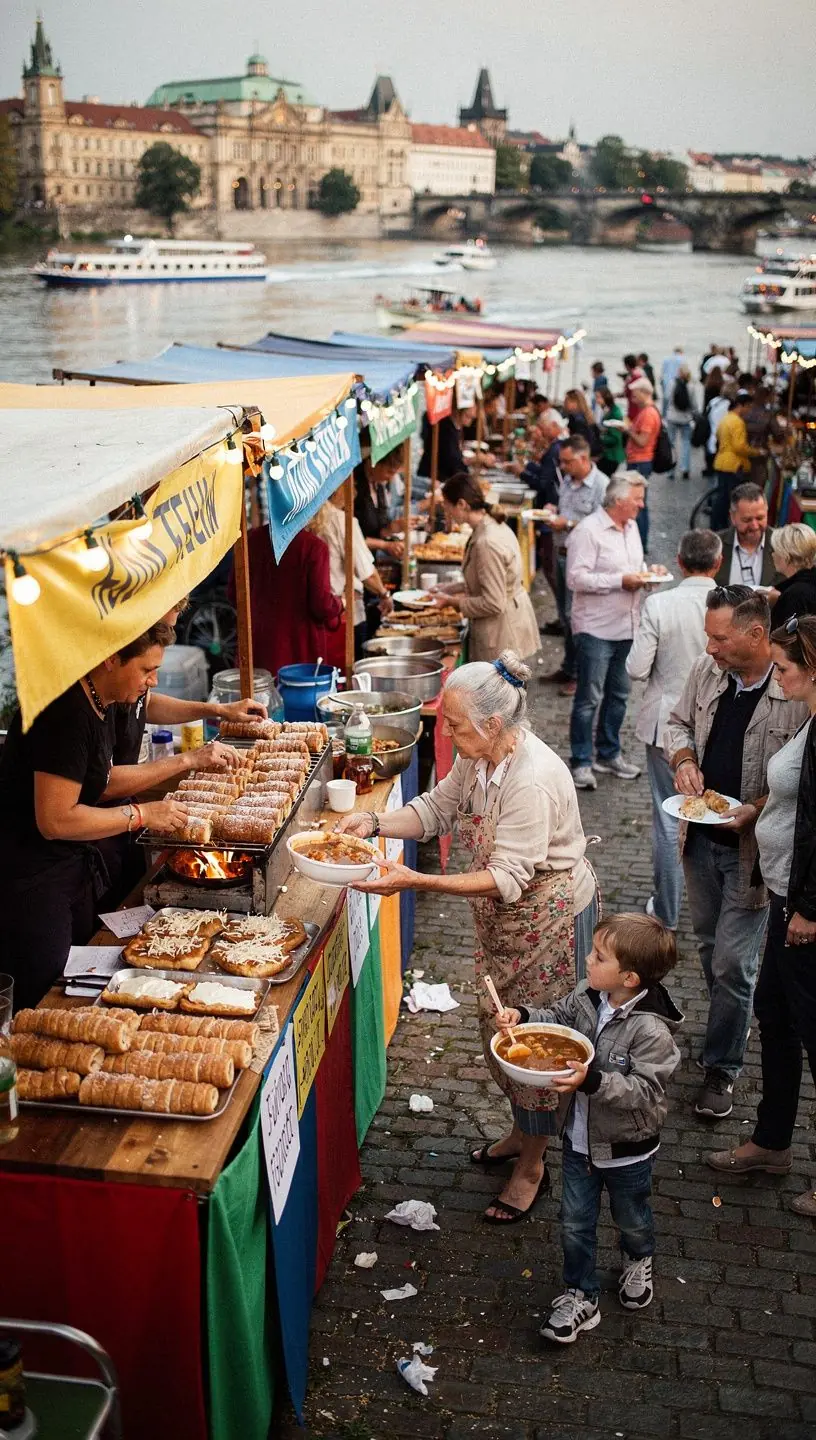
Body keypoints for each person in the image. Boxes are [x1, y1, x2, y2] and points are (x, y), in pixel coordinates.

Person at [337, 651, 598, 1223]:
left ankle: (532, 1165)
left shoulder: (531, 779)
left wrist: (414, 879)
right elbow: (436, 810)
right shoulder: (479, 759)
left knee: (530, 1040)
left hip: (545, 922)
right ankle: (519, 1133)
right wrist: (375, 823)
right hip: (507, 921)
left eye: (454, 723)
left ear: (494, 725)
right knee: (496, 1026)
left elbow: (507, 878)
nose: (447, 732)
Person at [495, 913, 681, 1343]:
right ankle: (580, 1293)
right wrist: (521, 1015)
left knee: (631, 1216)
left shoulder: (652, 1030)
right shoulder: (590, 993)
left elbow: (646, 1090)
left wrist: (591, 1080)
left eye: (598, 956)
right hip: (578, 1142)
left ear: (629, 977)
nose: (587, 960)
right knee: (574, 1223)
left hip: (628, 1149)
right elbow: (557, 1017)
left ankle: (638, 1257)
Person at [664, 587, 808, 1118]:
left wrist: (756, 808)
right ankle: (730, 1027)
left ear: (755, 634)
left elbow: (799, 777)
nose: (710, 646)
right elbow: (677, 724)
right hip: (699, 839)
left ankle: (722, 1068)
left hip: (751, 856)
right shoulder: (707, 672)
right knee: (708, 948)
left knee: (732, 964)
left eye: (720, 637)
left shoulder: (791, 692)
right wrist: (682, 761)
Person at [0, 624, 195, 1010]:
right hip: (32, 880)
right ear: (110, 659)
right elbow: (55, 820)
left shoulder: (104, 700)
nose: (152, 681)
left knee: (80, 989)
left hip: (71, 865)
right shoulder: (65, 712)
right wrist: (141, 814)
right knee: (42, 1004)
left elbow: (97, 781)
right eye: (145, 670)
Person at [705, 616, 816, 1218]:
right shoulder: (810, 720)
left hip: (803, 912)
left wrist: (808, 910)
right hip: (782, 894)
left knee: (810, 1030)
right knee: (775, 1018)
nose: (781, 674)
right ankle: (771, 1142)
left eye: (788, 664)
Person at [626, 530, 723, 930]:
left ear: (680, 563)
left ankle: (666, 912)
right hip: (719, 724)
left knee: (668, 818)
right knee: (718, 815)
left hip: (666, 725)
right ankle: (714, 910)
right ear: (717, 563)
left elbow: (635, 668)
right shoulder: (733, 601)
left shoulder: (660, 604)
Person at [567, 474, 659, 790]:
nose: (642, 505)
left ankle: (608, 753)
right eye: (638, 499)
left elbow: (635, 565)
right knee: (589, 698)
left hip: (627, 626)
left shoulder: (631, 528)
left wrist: (648, 574)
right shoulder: (588, 531)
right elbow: (576, 579)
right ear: (619, 501)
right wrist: (620, 581)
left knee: (619, 695)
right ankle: (581, 760)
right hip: (595, 628)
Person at [432, 474, 539, 662]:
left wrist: (451, 602)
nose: (446, 511)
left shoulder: (486, 542)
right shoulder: (489, 524)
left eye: (447, 506)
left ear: (462, 504)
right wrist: (452, 588)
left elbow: (493, 603)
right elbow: (489, 579)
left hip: (501, 633)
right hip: (507, 625)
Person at [540, 436, 608, 694]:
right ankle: (569, 667)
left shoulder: (601, 485)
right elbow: (563, 509)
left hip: (582, 559)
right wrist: (552, 509)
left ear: (583, 458)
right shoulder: (568, 482)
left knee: (575, 616)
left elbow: (602, 527)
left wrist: (566, 524)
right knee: (564, 615)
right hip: (561, 554)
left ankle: (580, 674)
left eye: (568, 461)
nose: (563, 466)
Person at [241, 522, 342, 676]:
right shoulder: (313, 547)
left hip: (258, 645)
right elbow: (321, 605)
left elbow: (235, 595)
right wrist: (339, 603)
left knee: (261, 694)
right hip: (300, 649)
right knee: (298, 695)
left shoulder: (250, 541)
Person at [318, 492, 393, 661]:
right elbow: (367, 574)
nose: (354, 493)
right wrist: (384, 594)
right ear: (338, 490)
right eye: (351, 487)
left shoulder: (303, 520)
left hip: (316, 617)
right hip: (343, 615)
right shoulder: (342, 521)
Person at [711, 391, 761, 530]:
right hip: (733, 464)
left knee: (722, 497)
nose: (749, 410)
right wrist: (756, 452)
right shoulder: (738, 422)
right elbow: (740, 447)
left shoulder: (726, 419)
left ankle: (716, 524)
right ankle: (721, 526)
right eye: (748, 407)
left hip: (721, 461)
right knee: (728, 499)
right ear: (741, 405)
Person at [714, 483, 778, 589]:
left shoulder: (781, 545)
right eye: (747, 520)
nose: (754, 526)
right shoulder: (716, 545)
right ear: (733, 517)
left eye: (760, 518)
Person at [623, 379, 661, 550]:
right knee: (638, 503)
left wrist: (628, 431)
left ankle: (640, 542)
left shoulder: (648, 414)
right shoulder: (646, 411)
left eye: (635, 394)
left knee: (638, 503)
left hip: (640, 461)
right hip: (639, 460)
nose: (632, 398)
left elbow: (642, 441)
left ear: (644, 393)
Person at [353, 449, 404, 561]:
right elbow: (352, 538)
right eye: (389, 472)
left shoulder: (379, 485)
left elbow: (376, 531)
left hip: (371, 558)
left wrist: (390, 528)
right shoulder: (354, 488)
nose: (391, 478)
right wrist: (385, 545)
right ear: (374, 464)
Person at [769, 523, 816, 627]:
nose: (773, 554)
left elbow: (785, 638)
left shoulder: (794, 595)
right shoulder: (807, 586)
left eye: (775, 550)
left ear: (786, 555)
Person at [665, 364, 696, 480]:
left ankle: (670, 470)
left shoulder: (672, 384)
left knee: (671, 443)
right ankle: (685, 468)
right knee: (686, 443)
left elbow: (667, 398)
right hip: (686, 418)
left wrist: (665, 413)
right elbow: (694, 404)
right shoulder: (692, 386)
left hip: (672, 417)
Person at [562, 389, 602, 459]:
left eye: (566, 401)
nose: (564, 403)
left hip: (586, 455)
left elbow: (579, 441)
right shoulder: (587, 415)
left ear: (575, 402)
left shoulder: (577, 419)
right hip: (594, 453)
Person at [596, 386, 626, 477]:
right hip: (608, 453)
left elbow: (614, 438)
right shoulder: (606, 409)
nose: (596, 400)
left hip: (612, 455)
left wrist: (600, 438)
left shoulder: (615, 413)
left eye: (598, 397)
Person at [660, 347, 685, 416]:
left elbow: (663, 372)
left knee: (665, 401)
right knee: (675, 403)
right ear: (681, 352)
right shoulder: (682, 359)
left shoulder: (666, 359)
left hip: (666, 382)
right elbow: (683, 373)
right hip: (677, 384)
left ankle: (664, 418)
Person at [620, 354, 646, 419]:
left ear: (627, 365)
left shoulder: (633, 377)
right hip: (641, 405)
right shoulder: (641, 372)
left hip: (634, 407)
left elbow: (626, 392)